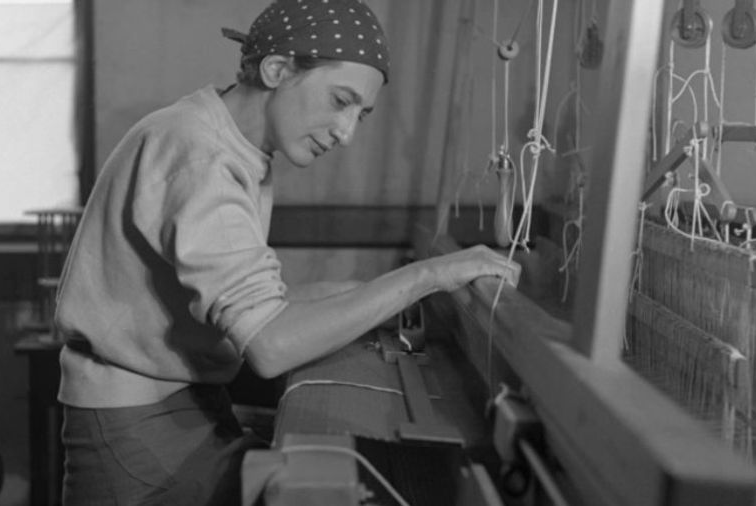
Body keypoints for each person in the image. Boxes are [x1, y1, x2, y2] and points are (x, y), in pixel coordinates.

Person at [54, 0, 520, 505]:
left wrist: (368, 297)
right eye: (340, 101)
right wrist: (427, 276)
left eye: (360, 114)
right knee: (349, 488)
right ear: (277, 70)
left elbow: (256, 303)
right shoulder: (203, 158)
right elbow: (271, 345)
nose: (346, 134)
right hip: (138, 435)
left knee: (337, 479)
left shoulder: (224, 142)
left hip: (180, 410)